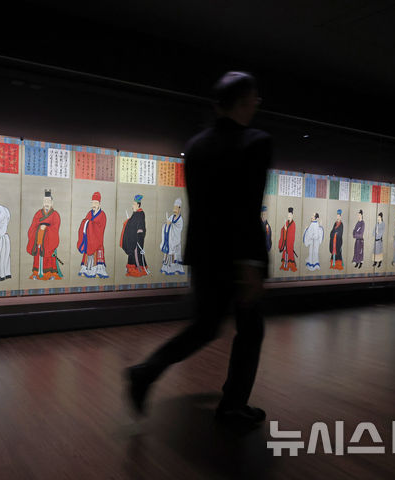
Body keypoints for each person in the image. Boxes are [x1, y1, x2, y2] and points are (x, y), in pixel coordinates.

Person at [126, 71, 271, 426]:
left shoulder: (196, 146)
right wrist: (250, 263)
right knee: (250, 330)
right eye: (254, 98)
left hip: (204, 254)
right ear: (244, 101)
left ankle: (147, 370)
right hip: (239, 257)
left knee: (205, 326)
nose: (256, 104)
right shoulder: (256, 142)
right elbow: (246, 207)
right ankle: (233, 406)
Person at [27, 189, 63, 280]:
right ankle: (36, 273)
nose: (46, 203)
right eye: (45, 201)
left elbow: (55, 229)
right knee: (37, 257)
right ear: (43, 202)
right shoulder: (38, 213)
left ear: (52, 203)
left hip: (49, 241)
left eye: (48, 201)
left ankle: (50, 274)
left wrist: (46, 228)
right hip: (38, 240)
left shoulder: (55, 215)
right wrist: (39, 229)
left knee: (49, 258)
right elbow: (32, 227)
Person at [77, 191, 109, 278]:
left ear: (99, 204)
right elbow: (85, 222)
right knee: (88, 255)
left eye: (96, 203)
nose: (94, 205)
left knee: (97, 254)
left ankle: (98, 272)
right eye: (92, 203)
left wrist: (90, 224)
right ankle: (87, 270)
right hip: (89, 240)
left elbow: (101, 228)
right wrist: (86, 223)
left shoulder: (102, 215)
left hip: (97, 239)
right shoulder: (89, 213)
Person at [120, 194, 148, 277]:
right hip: (132, 238)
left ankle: (138, 271)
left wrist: (139, 236)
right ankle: (131, 270)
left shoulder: (141, 213)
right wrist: (128, 222)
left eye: (134, 204)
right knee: (132, 254)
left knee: (137, 254)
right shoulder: (135, 213)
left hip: (137, 239)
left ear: (138, 205)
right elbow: (132, 223)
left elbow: (140, 226)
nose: (132, 206)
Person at [160, 198, 185, 275]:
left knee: (175, 254)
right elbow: (168, 223)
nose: (175, 210)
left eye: (176, 208)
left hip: (175, 240)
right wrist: (167, 224)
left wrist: (170, 224)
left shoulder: (180, 219)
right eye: (174, 208)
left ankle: (175, 269)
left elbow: (178, 228)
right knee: (168, 253)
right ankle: (166, 269)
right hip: (169, 240)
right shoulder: (172, 216)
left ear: (179, 209)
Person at [278, 207, 297, 271]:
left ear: (292, 216)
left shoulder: (293, 224)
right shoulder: (286, 222)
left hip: (290, 242)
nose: (289, 217)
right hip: (285, 242)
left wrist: (286, 230)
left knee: (289, 254)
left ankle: (289, 266)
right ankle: (284, 265)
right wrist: (284, 229)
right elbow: (283, 229)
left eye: (290, 216)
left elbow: (291, 234)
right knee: (285, 253)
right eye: (288, 216)